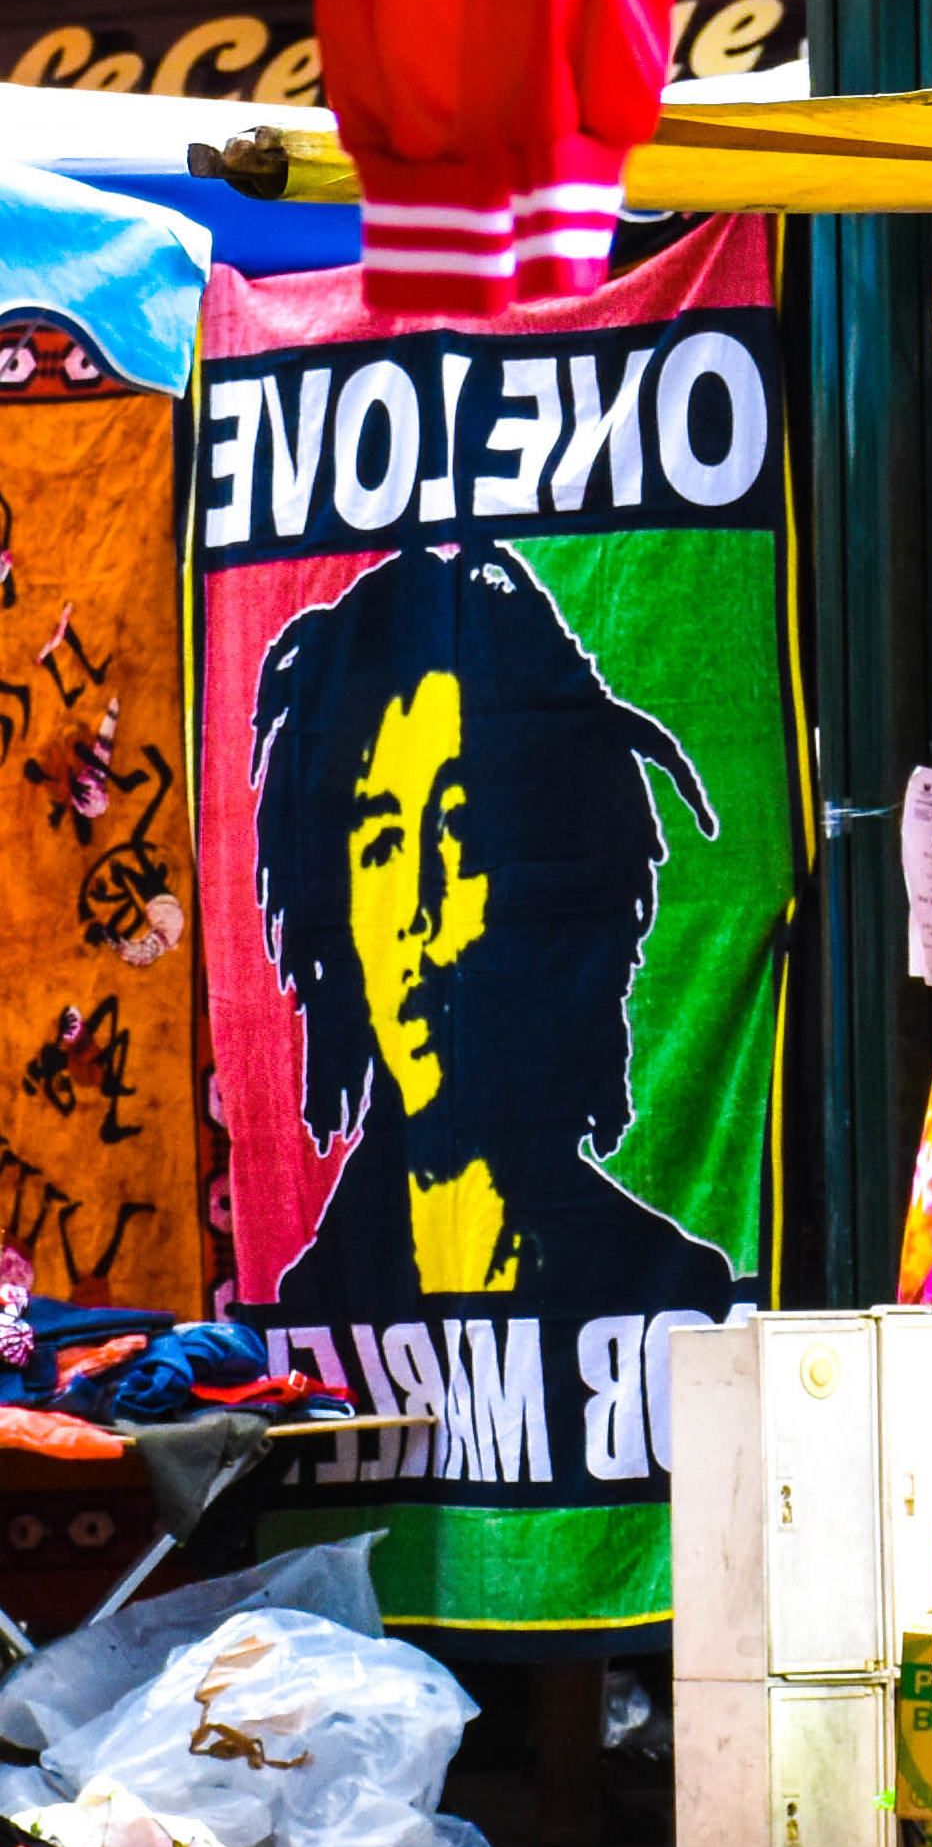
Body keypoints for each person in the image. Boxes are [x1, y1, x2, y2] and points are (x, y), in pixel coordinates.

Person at [246, 543, 733, 1316]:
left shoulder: (690, 1302)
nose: (419, 916)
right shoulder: (303, 1313)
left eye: (463, 832)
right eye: (380, 844)